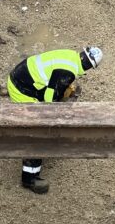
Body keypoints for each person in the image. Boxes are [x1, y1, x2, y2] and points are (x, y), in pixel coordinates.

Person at [7, 46, 102, 193]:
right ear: (90, 67)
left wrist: (63, 90)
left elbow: (51, 76)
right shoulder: (68, 72)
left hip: (19, 77)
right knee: (39, 131)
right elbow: (49, 101)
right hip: (22, 90)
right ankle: (29, 179)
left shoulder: (70, 55)